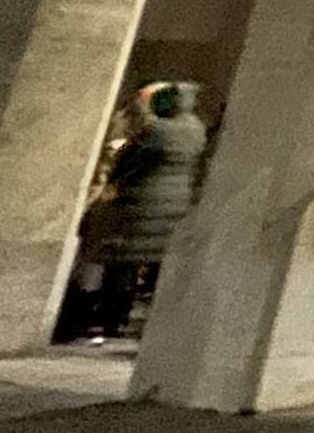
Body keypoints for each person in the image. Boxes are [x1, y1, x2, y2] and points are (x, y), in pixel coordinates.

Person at [74, 80, 212, 341]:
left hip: (143, 203)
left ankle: (111, 317)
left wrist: (141, 104)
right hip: (176, 204)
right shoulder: (196, 128)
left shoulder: (160, 129)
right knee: (156, 265)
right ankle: (136, 319)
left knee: (123, 260)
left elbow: (132, 161)